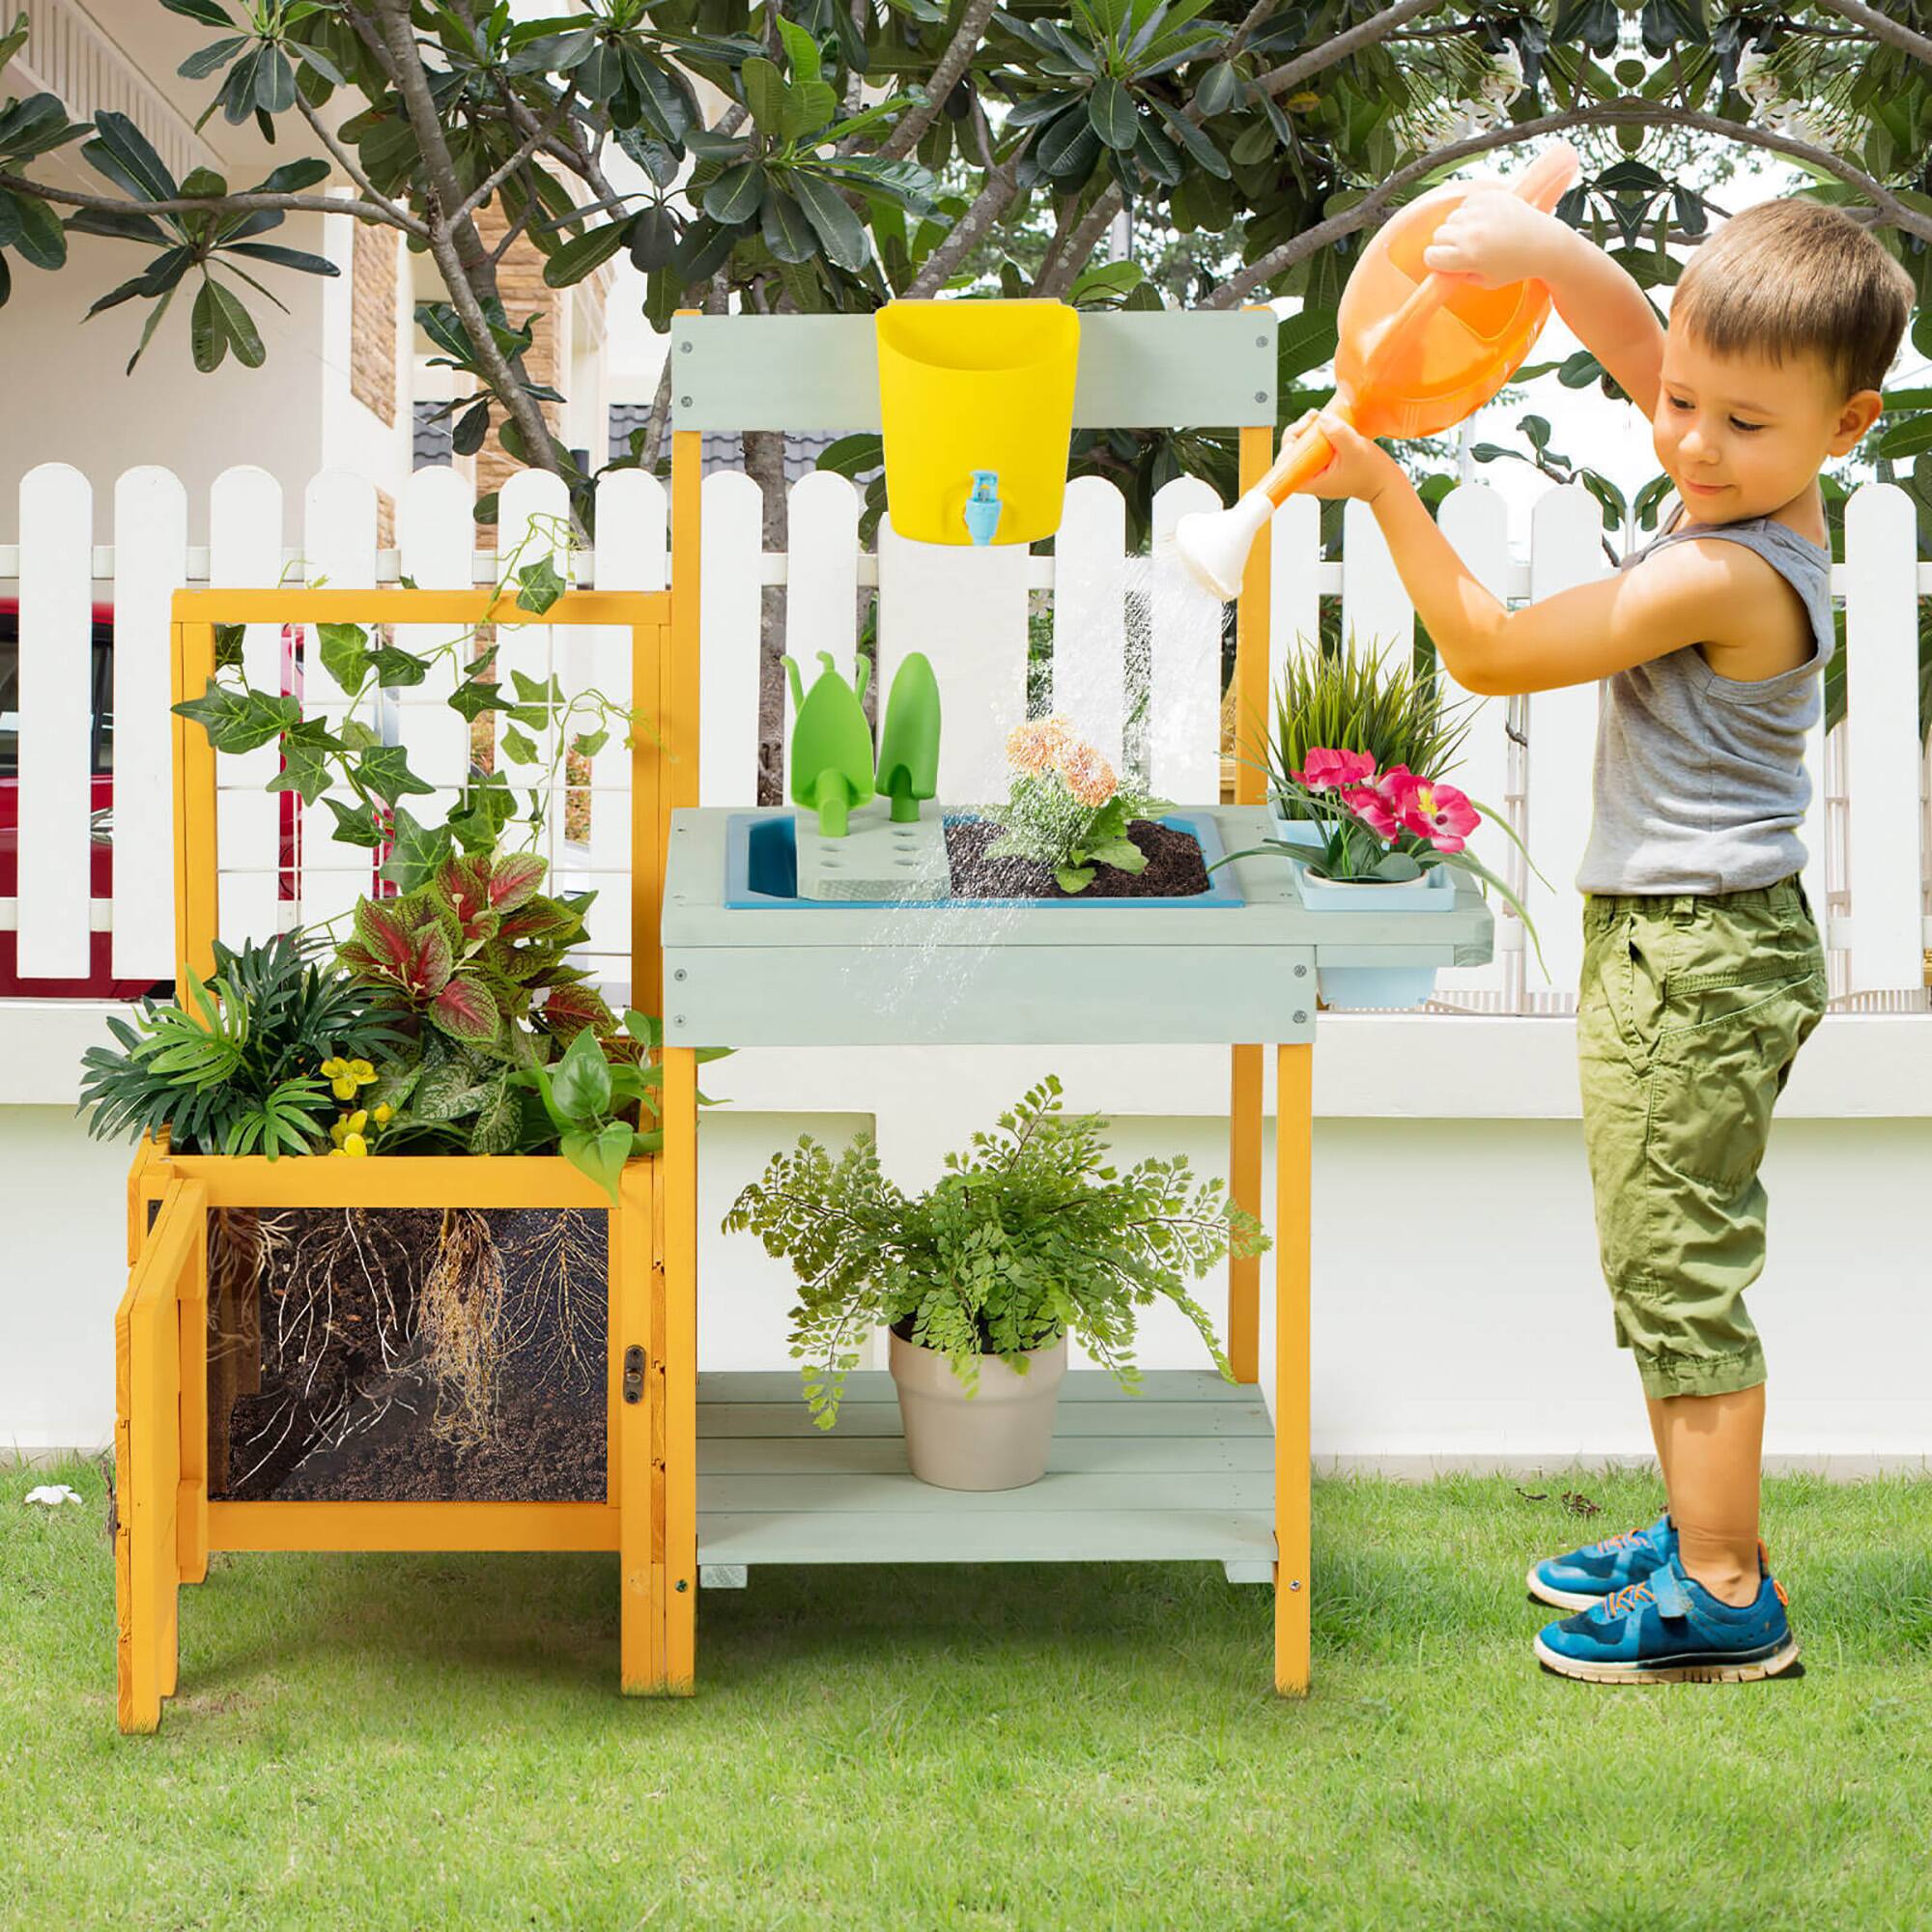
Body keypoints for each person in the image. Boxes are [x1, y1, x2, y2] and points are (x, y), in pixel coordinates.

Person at [1291, 188, 1913, 1683]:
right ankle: (1700, 1525)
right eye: (1683, 404)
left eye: (1738, 422)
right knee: (1656, 1253)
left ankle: (1723, 1590)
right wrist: (1548, 256)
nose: (1690, 439)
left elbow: (1494, 652)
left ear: (1847, 427)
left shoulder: (1720, 572)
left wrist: (1385, 495)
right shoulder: (1753, 483)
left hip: (1694, 961)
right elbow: (1651, 346)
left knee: (1676, 1268)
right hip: (1696, 943)